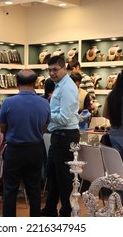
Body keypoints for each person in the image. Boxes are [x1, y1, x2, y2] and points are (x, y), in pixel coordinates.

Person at [0, 69, 50, 217]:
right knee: (34, 189)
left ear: (16, 82)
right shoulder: (44, 103)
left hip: (14, 150)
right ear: (35, 83)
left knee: (10, 189)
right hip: (35, 149)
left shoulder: (8, 102)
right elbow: (44, 128)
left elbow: (3, 128)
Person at [41, 56, 79, 217]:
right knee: (53, 175)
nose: (52, 73)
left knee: (63, 178)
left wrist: (47, 114)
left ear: (64, 68)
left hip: (66, 136)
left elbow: (64, 118)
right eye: (49, 70)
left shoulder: (67, 88)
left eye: (55, 70)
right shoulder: (59, 86)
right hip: (59, 136)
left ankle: (65, 212)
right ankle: (50, 209)